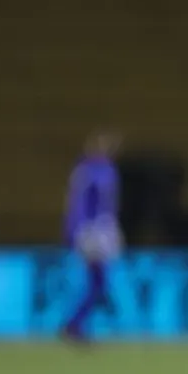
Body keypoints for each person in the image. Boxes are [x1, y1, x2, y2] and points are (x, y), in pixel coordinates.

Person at [61, 130, 123, 342]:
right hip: (92, 232)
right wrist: (74, 230)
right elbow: (78, 204)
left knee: (97, 282)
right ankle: (75, 323)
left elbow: (108, 206)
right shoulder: (86, 172)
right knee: (97, 282)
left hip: (101, 230)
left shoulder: (107, 170)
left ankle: (76, 324)